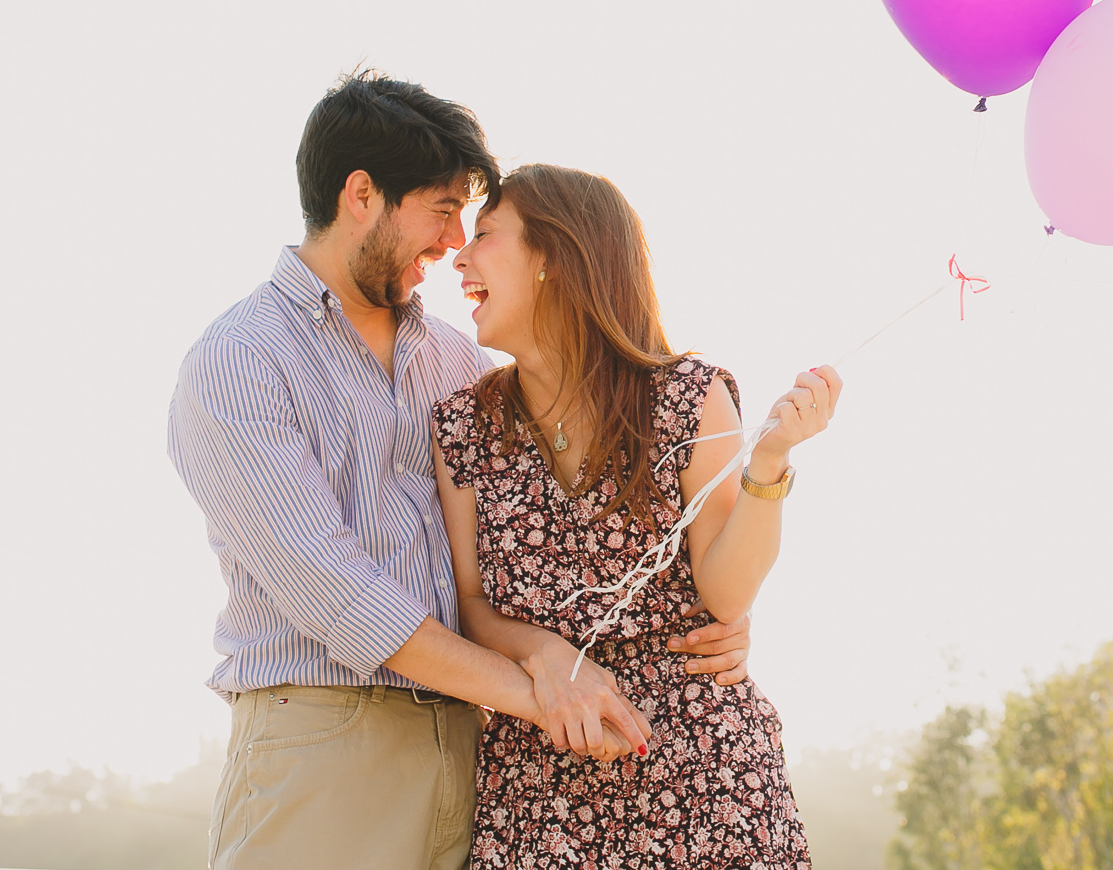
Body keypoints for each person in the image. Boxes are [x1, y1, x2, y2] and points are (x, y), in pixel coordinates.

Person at [169, 72, 753, 870]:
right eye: (443, 211)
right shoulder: (239, 362)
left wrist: (699, 617)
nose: (452, 245)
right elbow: (342, 595)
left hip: (477, 755)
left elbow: (541, 553)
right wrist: (544, 688)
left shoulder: (456, 362)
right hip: (325, 746)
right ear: (363, 194)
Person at [433, 163, 841, 867]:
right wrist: (546, 652)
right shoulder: (464, 426)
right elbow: (470, 605)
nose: (459, 259)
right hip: (539, 789)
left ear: (554, 260)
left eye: (486, 235)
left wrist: (766, 464)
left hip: (701, 777)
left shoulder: (688, 395)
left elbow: (726, 592)